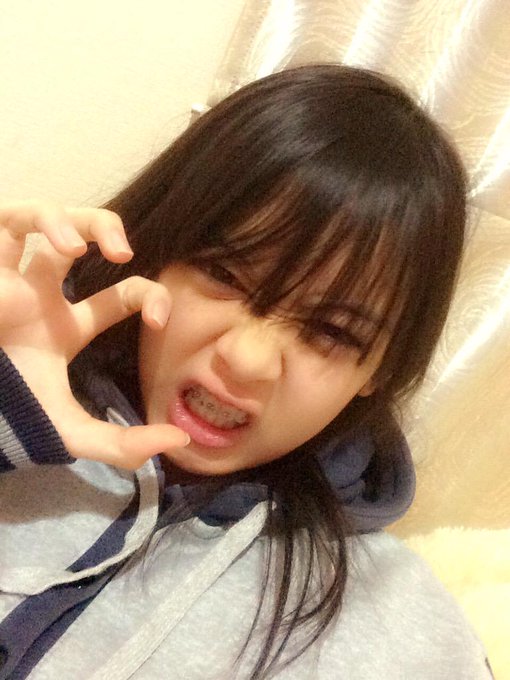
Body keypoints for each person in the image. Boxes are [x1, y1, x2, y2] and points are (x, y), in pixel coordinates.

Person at [0, 64, 493, 679]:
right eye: (225, 274)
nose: (249, 360)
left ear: (379, 372)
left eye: (331, 332)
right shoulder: (16, 408)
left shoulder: (407, 635)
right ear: (158, 251)